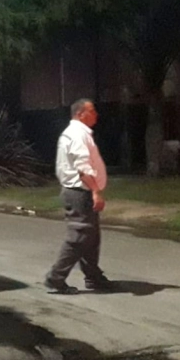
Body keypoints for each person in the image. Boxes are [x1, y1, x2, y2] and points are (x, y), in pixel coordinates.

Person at [45, 99, 113, 294]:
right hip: (79, 192)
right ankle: (55, 278)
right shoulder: (77, 135)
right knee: (80, 236)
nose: (96, 115)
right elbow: (82, 167)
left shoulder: (78, 133)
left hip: (79, 191)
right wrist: (95, 191)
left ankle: (93, 277)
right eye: (92, 111)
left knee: (91, 237)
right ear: (80, 114)